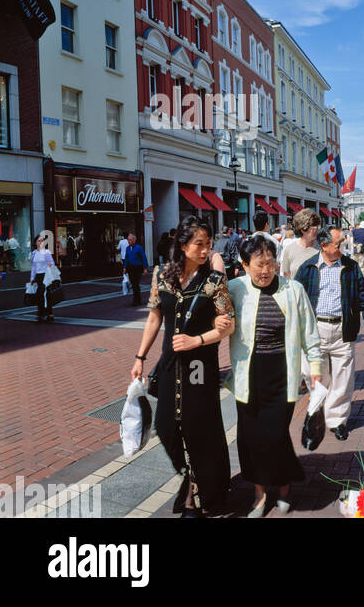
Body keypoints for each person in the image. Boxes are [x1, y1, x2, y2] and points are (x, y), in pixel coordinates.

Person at [129, 217, 235, 518]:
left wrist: (197, 340)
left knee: (198, 429)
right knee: (165, 426)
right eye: (199, 245)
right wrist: (140, 358)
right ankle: (191, 476)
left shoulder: (214, 280)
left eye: (208, 245)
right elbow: (154, 318)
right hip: (170, 362)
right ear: (183, 245)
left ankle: (192, 498)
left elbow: (228, 326)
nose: (205, 251)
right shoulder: (162, 275)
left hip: (200, 364)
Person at [226, 234, 322, 517]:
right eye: (259, 264)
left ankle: (282, 486)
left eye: (270, 263)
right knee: (250, 436)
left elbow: (309, 332)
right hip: (249, 374)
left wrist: (315, 369)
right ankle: (259, 495)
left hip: (283, 372)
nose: (266, 270)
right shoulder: (234, 289)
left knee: (276, 434)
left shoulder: (293, 290)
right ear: (245, 265)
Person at [294, 226, 364, 441]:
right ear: (324, 245)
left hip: (343, 328)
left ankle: (337, 420)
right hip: (316, 330)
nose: (342, 248)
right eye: (338, 244)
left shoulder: (350, 266)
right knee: (316, 376)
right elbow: (296, 300)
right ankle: (319, 412)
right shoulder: (308, 268)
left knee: (343, 378)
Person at [280, 208, 322, 279]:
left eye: (317, 227)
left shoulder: (321, 249)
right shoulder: (290, 249)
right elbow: (286, 276)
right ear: (303, 229)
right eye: (313, 228)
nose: (316, 230)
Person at [30, 230, 56, 323]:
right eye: (39, 241)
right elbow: (33, 266)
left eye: (42, 240)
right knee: (39, 295)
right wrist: (32, 278)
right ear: (36, 243)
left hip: (46, 276)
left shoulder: (46, 252)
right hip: (38, 276)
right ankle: (40, 315)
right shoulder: (34, 253)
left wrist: (50, 265)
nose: (41, 242)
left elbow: (52, 263)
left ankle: (50, 314)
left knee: (47, 295)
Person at [123, 234, 148, 306]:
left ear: (134, 240)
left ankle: (137, 301)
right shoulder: (127, 248)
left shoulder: (139, 248)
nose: (129, 241)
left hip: (138, 267)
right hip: (130, 268)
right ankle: (136, 300)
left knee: (135, 283)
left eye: (130, 240)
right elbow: (126, 259)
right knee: (133, 284)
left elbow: (144, 258)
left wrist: (145, 268)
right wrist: (124, 268)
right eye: (128, 239)